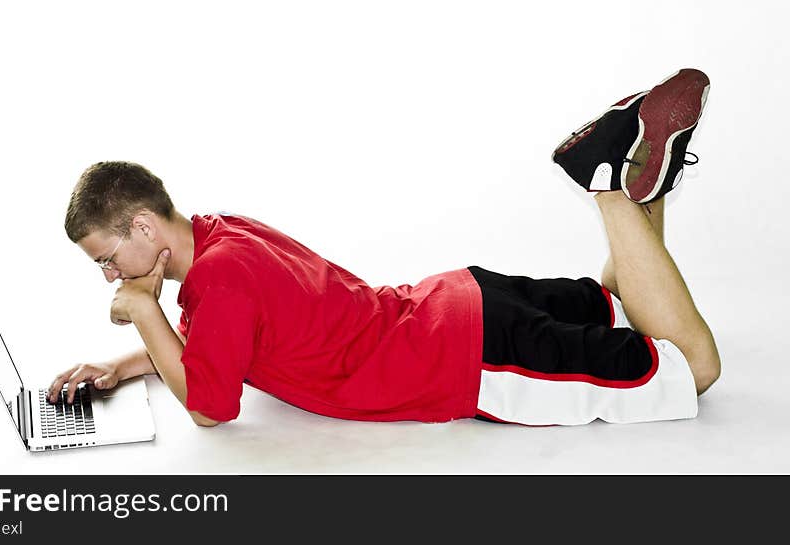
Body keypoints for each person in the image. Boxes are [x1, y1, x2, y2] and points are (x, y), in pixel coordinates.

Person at [48, 68, 720, 427]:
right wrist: (122, 367)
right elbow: (214, 341)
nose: (109, 274)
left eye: (106, 256)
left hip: (469, 358)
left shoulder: (217, 286)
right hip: (461, 299)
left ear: (143, 228)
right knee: (617, 300)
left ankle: (607, 184)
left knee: (693, 366)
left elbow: (210, 408)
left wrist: (143, 310)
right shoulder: (220, 236)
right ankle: (641, 177)